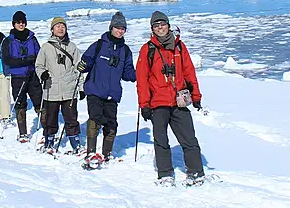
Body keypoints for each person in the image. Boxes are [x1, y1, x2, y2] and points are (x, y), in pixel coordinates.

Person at [135, 10, 205, 186]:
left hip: (178, 102)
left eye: (163, 25)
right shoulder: (148, 49)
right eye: (156, 26)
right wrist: (144, 104)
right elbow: (142, 79)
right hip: (158, 103)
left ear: (168, 25)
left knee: (189, 139)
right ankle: (165, 174)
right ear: (152, 29)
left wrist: (196, 95)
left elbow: (189, 71)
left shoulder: (179, 47)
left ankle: (196, 172)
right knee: (161, 140)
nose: (160, 28)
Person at [78, 11, 136, 168]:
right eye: (117, 27)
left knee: (112, 124)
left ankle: (107, 153)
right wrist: (83, 65)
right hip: (95, 90)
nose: (120, 31)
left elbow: (127, 73)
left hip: (113, 93)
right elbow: (86, 61)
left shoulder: (125, 51)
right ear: (111, 27)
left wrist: (139, 75)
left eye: (123, 28)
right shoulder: (98, 45)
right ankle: (90, 153)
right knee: (95, 119)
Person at [35, 16, 83, 153]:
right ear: (52, 29)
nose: (60, 28)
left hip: (69, 90)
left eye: (63, 26)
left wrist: (81, 87)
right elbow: (38, 65)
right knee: (50, 119)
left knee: (71, 118)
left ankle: (75, 142)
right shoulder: (46, 47)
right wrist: (42, 74)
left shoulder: (72, 47)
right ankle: (49, 142)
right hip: (51, 89)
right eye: (57, 26)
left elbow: (78, 68)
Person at [1, 10, 41, 142]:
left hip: (32, 75)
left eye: (23, 22)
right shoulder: (8, 41)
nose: (21, 24)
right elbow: (7, 60)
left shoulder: (32, 38)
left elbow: (39, 55)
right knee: (20, 104)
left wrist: (35, 62)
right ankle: (22, 132)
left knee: (39, 102)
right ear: (13, 24)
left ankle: (45, 129)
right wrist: (24, 61)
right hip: (18, 77)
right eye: (18, 22)